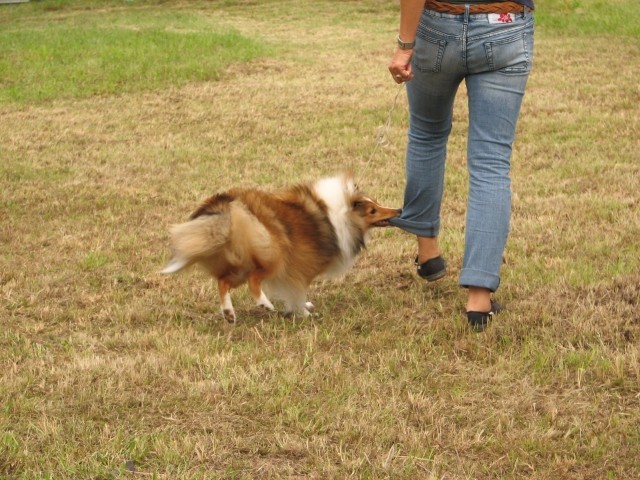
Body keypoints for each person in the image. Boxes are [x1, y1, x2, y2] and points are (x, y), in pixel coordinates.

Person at [387, 0, 535, 332]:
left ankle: (428, 254)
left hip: (439, 23)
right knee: (492, 161)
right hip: (507, 23)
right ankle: (479, 300)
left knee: (426, 134)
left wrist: (404, 46)